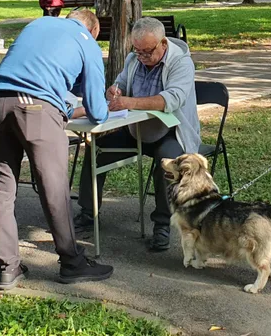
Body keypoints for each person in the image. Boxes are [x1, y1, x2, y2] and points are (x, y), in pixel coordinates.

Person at [0, 9, 113, 289]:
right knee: (54, 188)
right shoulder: (86, 40)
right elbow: (96, 109)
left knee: (3, 187)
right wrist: (103, 108)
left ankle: (8, 268)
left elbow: (37, 69)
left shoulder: (39, 24)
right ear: (93, 31)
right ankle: (72, 262)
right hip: (35, 109)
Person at [73, 17, 201, 252]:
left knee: (167, 165)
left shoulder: (181, 62)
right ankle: (88, 213)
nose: (141, 56)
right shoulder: (134, 59)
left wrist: (129, 101)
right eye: (137, 50)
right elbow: (119, 84)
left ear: (163, 43)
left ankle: (161, 225)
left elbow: (170, 99)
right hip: (137, 130)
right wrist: (115, 90)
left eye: (147, 52)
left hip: (172, 131)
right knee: (97, 150)